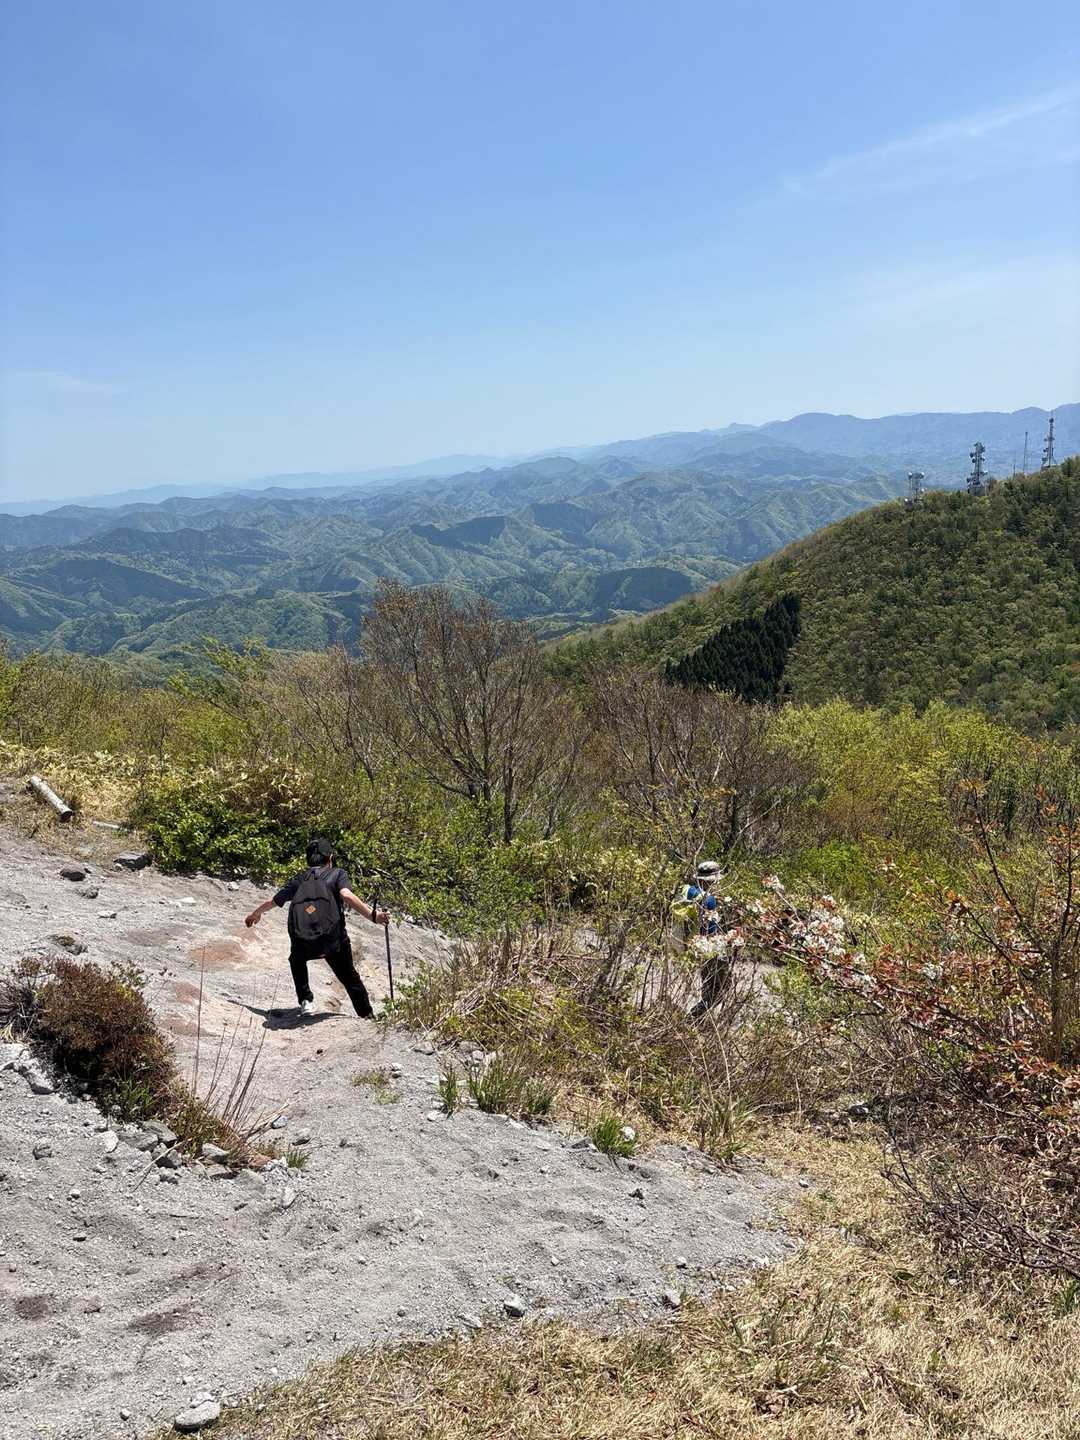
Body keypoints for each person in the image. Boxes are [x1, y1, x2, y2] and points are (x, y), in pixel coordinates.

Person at [244, 838, 389, 1019]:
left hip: (303, 941)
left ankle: (306, 1000)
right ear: (330, 858)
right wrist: (373, 916)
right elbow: (346, 895)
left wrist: (255, 914)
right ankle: (367, 1015)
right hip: (333, 941)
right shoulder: (338, 874)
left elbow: (273, 902)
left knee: (296, 959)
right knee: (349, 977)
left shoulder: (299, 880)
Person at [673, 859, 731, 1018]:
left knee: (708, 986)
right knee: (719, 990)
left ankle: (694, 1018)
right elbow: (709, 932)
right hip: (706, 949)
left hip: (685, 944)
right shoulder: (709, 899)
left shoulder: (684, 891)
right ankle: (693, 1018)